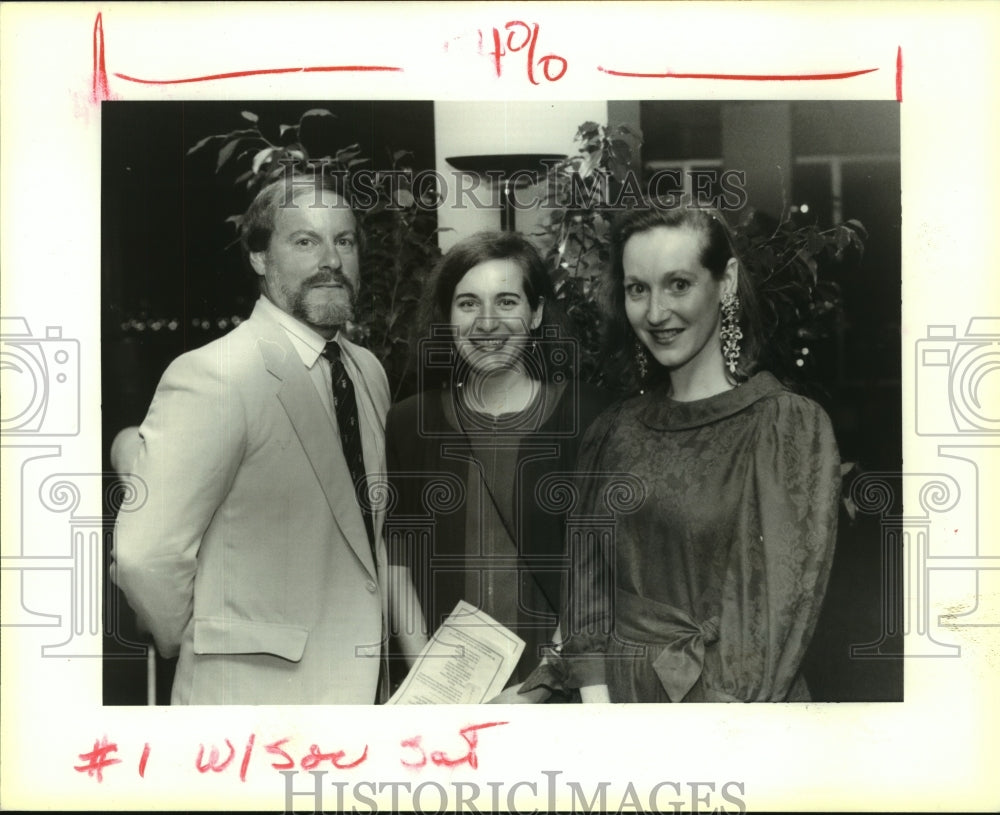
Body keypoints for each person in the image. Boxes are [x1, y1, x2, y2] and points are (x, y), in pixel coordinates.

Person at [113, 172, 422, 704]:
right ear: (258, 257)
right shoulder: (214, 374)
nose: (331, 260)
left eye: (343, 241)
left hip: (363, 704)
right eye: (305, 241)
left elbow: (367, 540)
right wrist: (198, 636)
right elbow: (145, 556)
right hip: (251, 706)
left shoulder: (367, 371)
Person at [524, 205, 841, 703]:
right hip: (613, 706)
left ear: (727, 281)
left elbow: (772, 622)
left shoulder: (784, 427)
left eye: (678, 284)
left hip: (724, 715)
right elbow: (586, 588)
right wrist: (599, 710)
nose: (655, 313)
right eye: (637, 289)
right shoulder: (611, 429)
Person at [384, 231, 613, 703]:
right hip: (443, 705)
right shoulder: (410, 423)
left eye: (506, 301)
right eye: (468, 303)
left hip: (559, 696)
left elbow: (597, 572)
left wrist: (535, 691)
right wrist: (432, 685)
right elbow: (398, 566)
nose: (487, 322)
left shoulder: (587, 417)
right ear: (448, 317)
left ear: (536, 314)